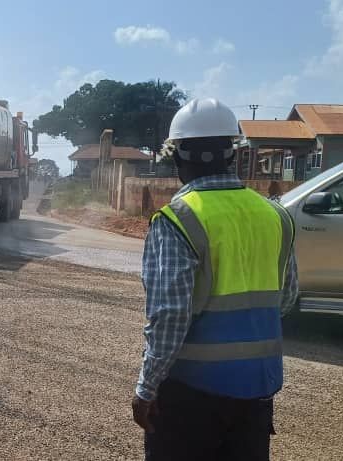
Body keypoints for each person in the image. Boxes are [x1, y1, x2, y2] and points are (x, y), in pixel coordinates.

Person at [132, 98, 298, 461]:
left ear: (176, 157)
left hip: (192, 394)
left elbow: (170, 317)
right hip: (257, 391)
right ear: (234, 155)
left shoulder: (177, 220)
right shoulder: (275, 216)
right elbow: (285, 298)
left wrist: (146, 388)